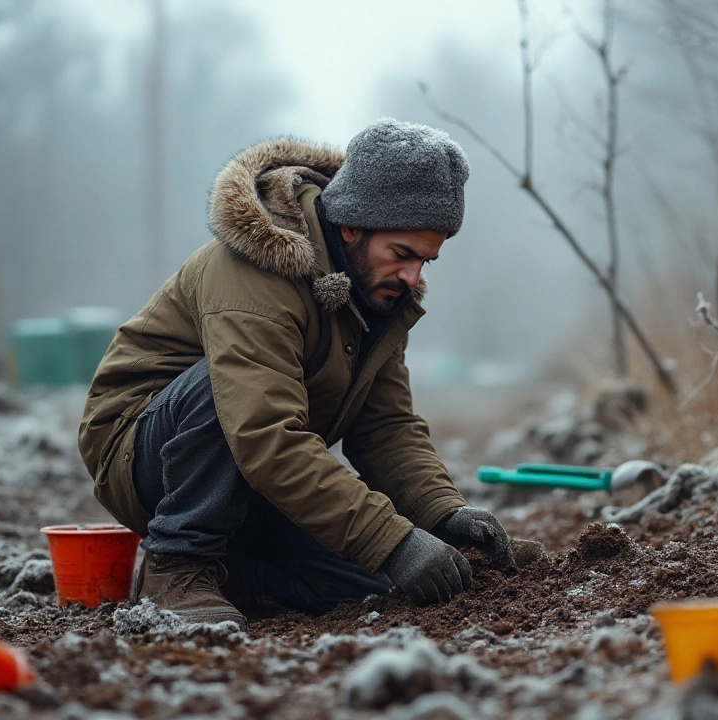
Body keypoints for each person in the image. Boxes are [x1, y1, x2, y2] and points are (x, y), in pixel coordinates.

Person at [78, 118, 516, 629]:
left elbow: (386, 429)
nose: (413, 277)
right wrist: (393, 540)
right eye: (402, 255)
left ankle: (237, 570)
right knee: (227, 391)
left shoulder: (378, 291)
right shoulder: (258, 269)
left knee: (377, 586)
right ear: (352, 225)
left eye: (426, 260)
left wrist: (442, 516)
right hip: (144, 452)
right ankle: (178, 564)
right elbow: (264, 432)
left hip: (251, 474)